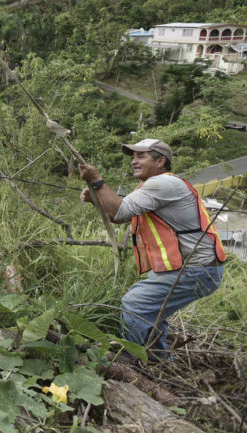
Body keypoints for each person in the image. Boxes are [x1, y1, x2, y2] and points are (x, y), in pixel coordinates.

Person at [79, 138, 226, 360]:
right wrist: (96, 199)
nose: (133, 161)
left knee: (136, 303)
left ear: (160, 161)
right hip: (189, 267)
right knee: (152, 312)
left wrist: (97, 181)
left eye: (141, 156)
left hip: (194, 268)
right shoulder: (154, 186)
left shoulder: (164, 184)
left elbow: (120, 212)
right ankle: (158, 359)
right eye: (133, 157)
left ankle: (131, 358)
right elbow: (118, 216)